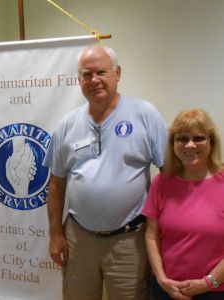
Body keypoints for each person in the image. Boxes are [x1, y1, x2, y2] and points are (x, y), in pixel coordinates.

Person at [43, 45, 168, 300]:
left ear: (117, 73)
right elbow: (56, 184)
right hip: (79, 240)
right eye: (87, 75)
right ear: (79, 80)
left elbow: (169, 176)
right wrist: (56, 234)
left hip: (130, 241)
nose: (94, 80)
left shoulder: (145, 115)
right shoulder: (67, 124)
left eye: (101, 72)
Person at [143, 109, 224, 300]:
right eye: (182, 138)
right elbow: (151, 236)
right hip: (169, 290)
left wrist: (209, 282)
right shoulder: (161, 182)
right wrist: (162, 280)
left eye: (198, 138)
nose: (189, 145)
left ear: (211, 141)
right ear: (173, 144)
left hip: (216, 290)